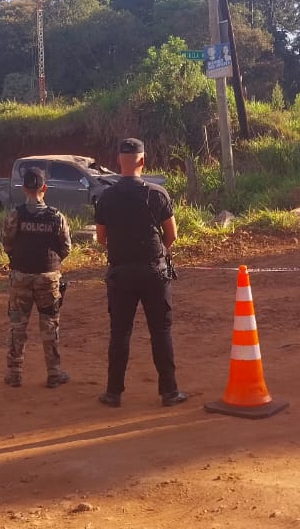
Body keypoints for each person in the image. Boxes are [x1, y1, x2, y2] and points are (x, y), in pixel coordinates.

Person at [93, 138, 188, 408]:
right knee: (160, 331)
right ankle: (169, 392)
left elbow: (101, 238)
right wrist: (157, 253)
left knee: (120, 332)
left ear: (118, 161)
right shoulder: (157, 193)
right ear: (143, 161)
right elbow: (172, 235)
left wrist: (122, 251)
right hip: (154, 272)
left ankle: (113, 393)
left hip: (120, 273)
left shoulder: (106, 196)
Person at [0, 168, 73, 389]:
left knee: (17, 325)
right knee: (49, 325)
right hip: (48, 277)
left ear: (24, 188)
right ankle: (54, 373)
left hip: (21, 276)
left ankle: (14, 374)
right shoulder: (56, 217)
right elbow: (66, 248)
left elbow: (7, 243)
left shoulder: (15, 215)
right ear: (44, 188)